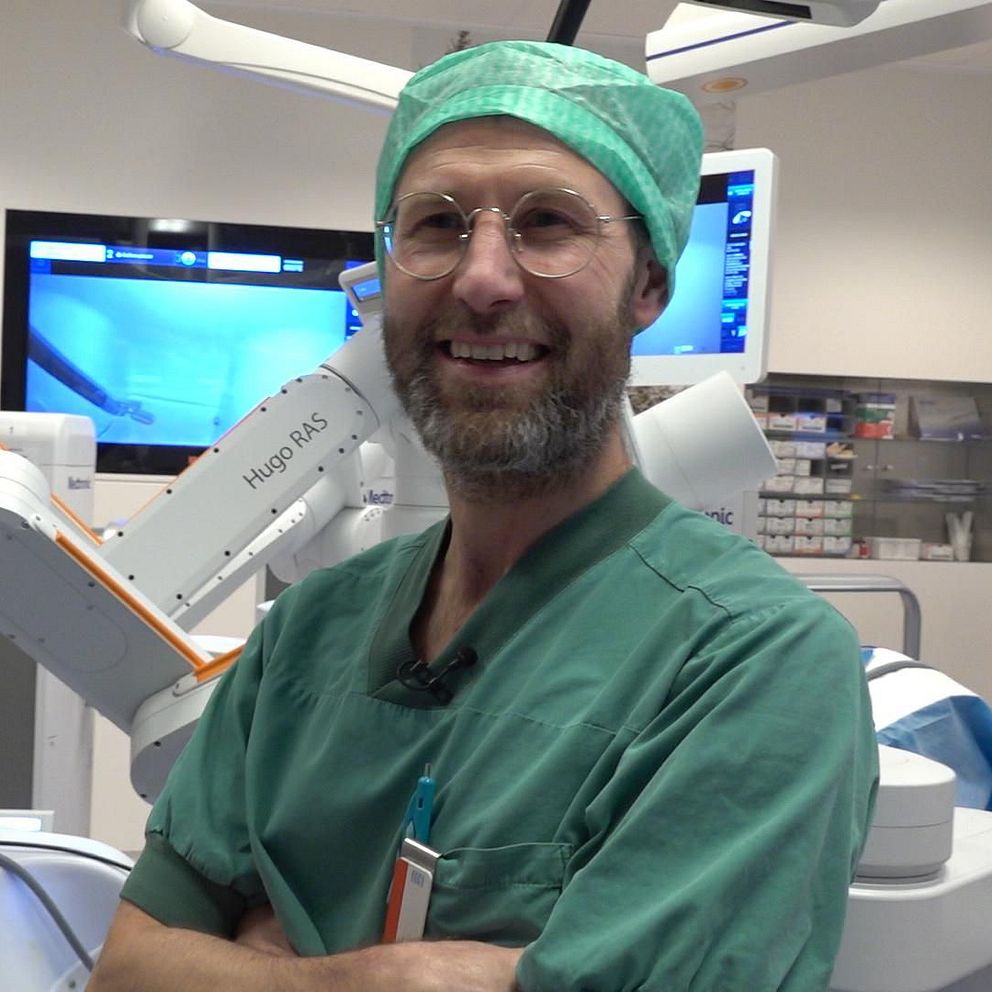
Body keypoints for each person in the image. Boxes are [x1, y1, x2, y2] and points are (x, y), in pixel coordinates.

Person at [89, 40, 878, 992]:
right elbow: (127, 969)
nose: (483, 278)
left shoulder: (755, 661)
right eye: (436, 224)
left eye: (549, 223)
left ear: (649, 286)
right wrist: (379, 981)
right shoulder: (307, 633)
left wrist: (253, 959)